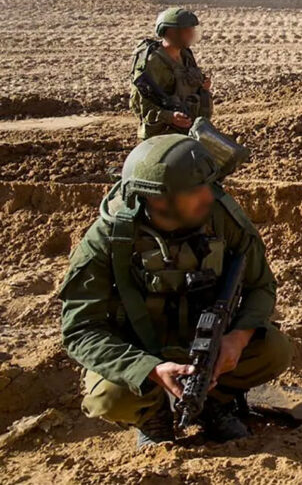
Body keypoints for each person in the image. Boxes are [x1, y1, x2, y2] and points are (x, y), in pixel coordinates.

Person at [59, 135, 290, 448]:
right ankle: (152, 415)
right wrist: (149, 369)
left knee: (273, 350)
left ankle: (213, 401)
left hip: (206, 343)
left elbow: (260, 286)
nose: (209, 196)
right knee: (110, 397)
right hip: (139, 350)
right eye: (195, 191)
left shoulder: (220, 216)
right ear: (157, 199)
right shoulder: (107, 239)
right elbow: (80, 330)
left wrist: (237, 338)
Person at [130, 8, 212, 140]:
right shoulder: (154, 63)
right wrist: (170, 117)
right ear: (171, 33)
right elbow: (142, 106)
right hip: (163, 135)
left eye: (192, 30)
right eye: (187, 31)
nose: (191, 34)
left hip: (188, 130)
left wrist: (203, 89)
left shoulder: (185, 55)